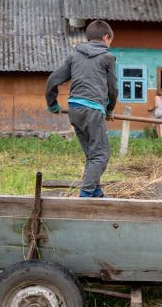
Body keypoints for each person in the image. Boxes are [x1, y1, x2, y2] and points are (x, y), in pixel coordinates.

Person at [45, 20, 117, 198]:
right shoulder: (107, 58)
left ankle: (96, 191)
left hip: (74, 109)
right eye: (110, 41)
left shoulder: (74, 56)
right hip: (93, 110)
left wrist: (52, 104)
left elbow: (53, 80)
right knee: (101, 155)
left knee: (92, 154)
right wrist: (109, 110)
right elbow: (113, 89)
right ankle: (85, 195)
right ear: (106, 37)